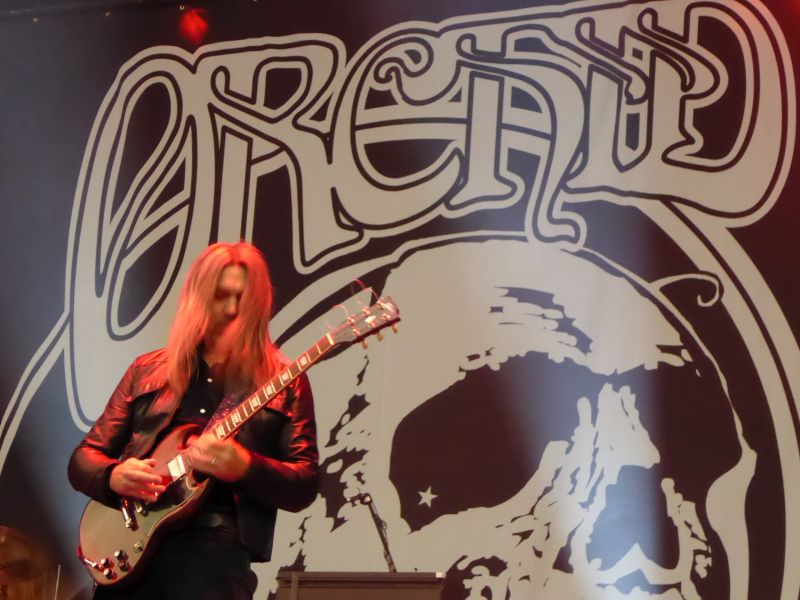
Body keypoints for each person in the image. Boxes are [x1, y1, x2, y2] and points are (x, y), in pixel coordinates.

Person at [67, 242, 319, 599]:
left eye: (242, 298)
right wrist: (114, 476)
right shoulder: (147, 370)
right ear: (198, 298)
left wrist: (246, 467)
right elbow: (82, 460)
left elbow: (304, 484)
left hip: (215, 559)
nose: (231, 309)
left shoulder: (284, 381)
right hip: (132, 558)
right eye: (221, 296)